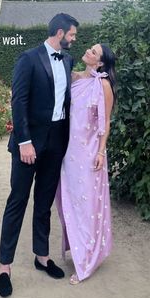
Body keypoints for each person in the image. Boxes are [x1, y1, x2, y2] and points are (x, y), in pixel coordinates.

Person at [0, 13, 79, 298]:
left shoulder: (68, 61)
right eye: (72, 35)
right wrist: (25, 142)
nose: (73, 40)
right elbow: (18, 101)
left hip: (56, 142)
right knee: (17, 201)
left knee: (43, 201)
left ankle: (41, 256)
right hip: (28, 144)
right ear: (59, 32)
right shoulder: (28, 58)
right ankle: (4, 267)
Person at [56, 43, 116, 284]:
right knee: (71, 203)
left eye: (94, 52)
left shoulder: (103, 85)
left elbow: (107, 121)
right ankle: (78, 249)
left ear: (100, 63)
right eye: (91, 49)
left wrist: (101, 152)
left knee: (88, 206)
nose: (89, 52)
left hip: (91, 154)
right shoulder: (75, 78)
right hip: (69, 153)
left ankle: (87, 260)